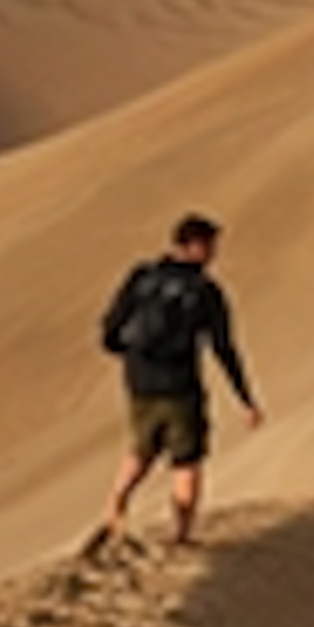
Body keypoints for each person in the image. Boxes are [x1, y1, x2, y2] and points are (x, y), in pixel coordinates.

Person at [91, 211, 262, 551]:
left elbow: (110, 331)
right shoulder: (206, 292)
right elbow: (223, 347)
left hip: (139, 382)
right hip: (181, 386)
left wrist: (132, 358)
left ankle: (115, 504)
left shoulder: (141, 277)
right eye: (211, 245)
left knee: (142, 448)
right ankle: (181, 534)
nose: (215, 252)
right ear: (196, 247)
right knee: (187, 459)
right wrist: (246, 399)